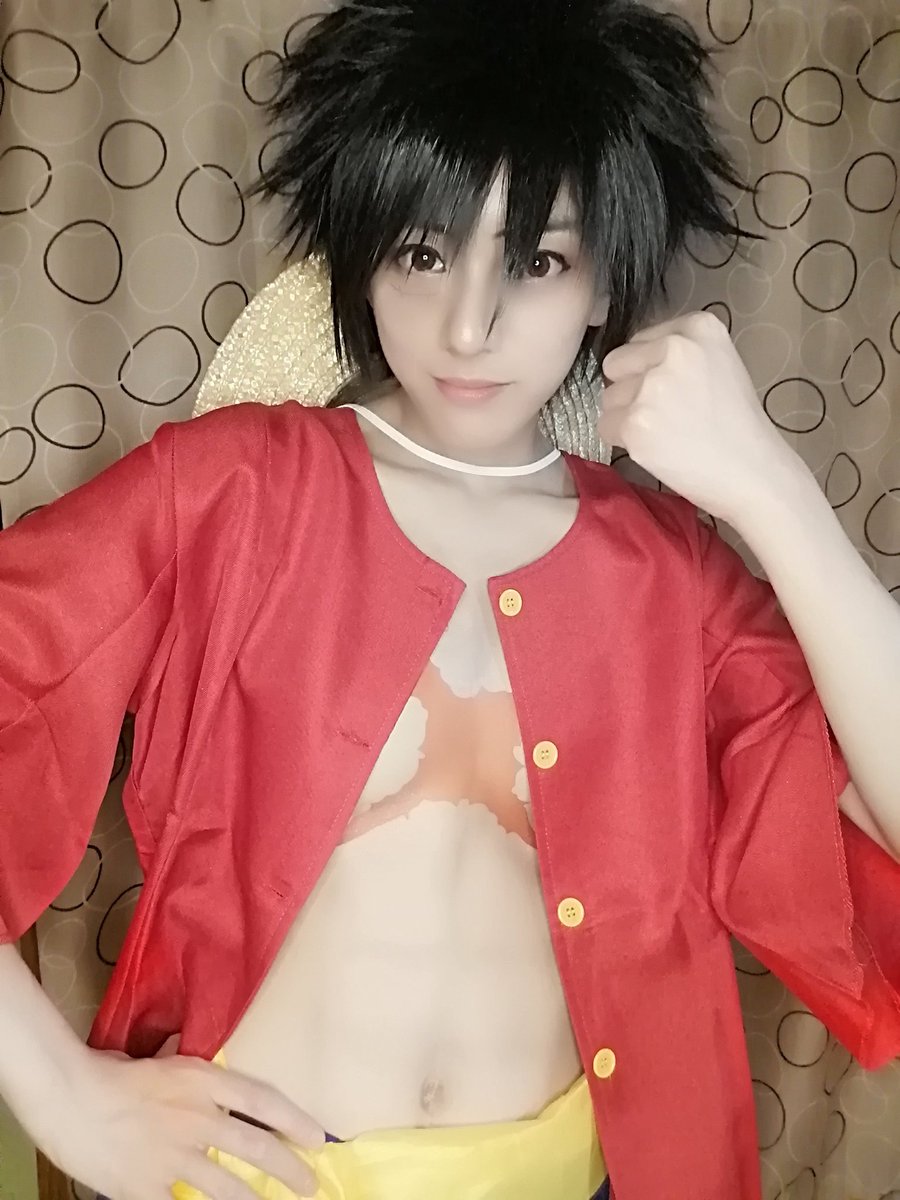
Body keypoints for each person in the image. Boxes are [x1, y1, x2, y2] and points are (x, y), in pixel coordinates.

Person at [1, 2, 899, 1199]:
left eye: (537, 261)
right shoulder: (228, 491)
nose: (469, 326)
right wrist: (63, 1097)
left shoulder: (675, 574)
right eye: (423, 254)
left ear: (604, 283)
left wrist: (776, 496)